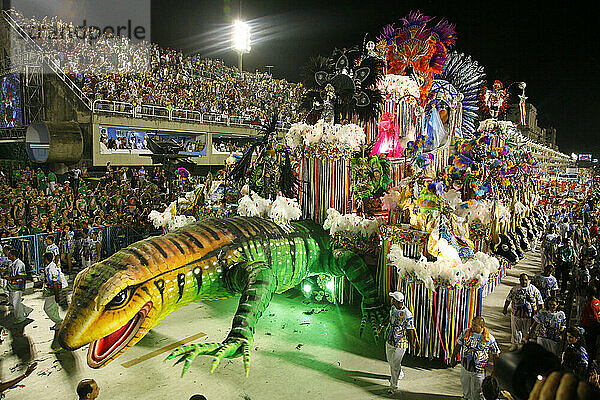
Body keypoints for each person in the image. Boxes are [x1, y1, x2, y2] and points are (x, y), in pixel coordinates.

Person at [384, 291, 419, 395]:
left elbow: (410, 329)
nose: (391, 300)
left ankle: (393, 386)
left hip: (401, 343)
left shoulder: (407, 314)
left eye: (392, 299)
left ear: (395, 300)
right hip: (390, 340)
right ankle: (399, 373)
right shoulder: (393, 309)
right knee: (390, 361)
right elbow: (389, 318)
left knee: (394, 365)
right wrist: (382, 325)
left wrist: (412, 343)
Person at [503, 274, 545, 351]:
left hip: (528, 316)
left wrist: (541, 313)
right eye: (522, 280)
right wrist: (505, 308)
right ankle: (515, 345)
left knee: (527, 331)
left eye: (525, 280)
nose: (524, 281)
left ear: (528, 280)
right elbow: (508, 299)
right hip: (516, 315)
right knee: (516, 331)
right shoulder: (515, 289)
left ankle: (525, 346)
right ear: (519, 280)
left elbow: (540, 302)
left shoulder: (533, 289)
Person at [3, 248, 33, 323]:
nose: (8, 256)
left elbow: (21, 276)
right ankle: (27, 309)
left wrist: (10, 278)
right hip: (12, 286)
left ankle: (20, 317)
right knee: (13, 302)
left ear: (13, 256)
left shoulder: (20, 264)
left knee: (16, 303)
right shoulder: (12, 263)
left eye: (9, 255)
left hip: (17, 286)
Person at [42, 252, 63, 330]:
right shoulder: (49, 267)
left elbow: (55, 283)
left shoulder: (52, 268)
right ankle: (58, 323)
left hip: (52, 292)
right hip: (51, 291)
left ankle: (59, 321)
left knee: (47, 308)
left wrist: (57, 295)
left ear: (46, 259)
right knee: (54, 308)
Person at [581, 287, 600, 361]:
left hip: (590, 328)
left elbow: (595, 319)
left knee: (590, 347)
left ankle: (591, 361)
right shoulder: (597, 301)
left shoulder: (591, 304)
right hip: (592, 328)